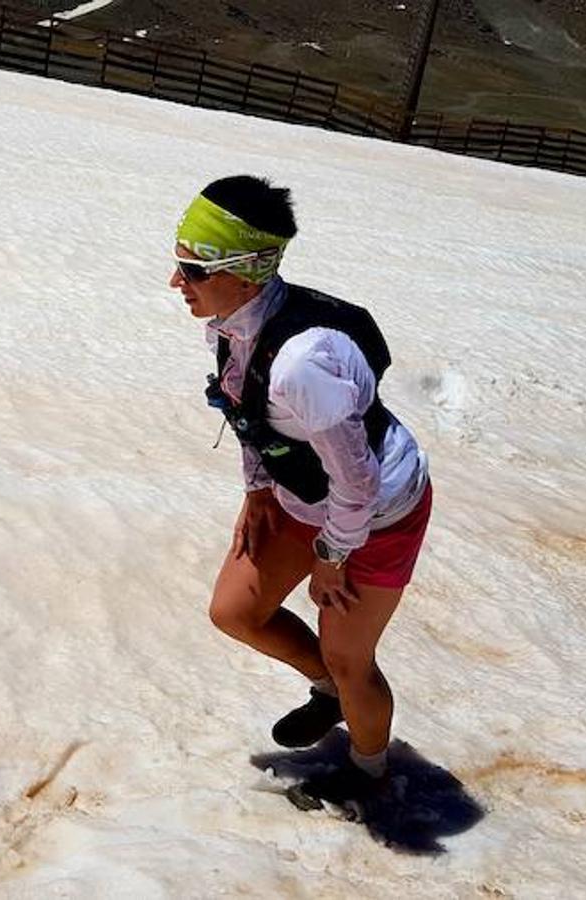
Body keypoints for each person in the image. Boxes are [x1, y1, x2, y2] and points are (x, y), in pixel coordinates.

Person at [170, 175, 432, 787]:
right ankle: (330, 693)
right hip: (308, 494)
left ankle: (369, 775)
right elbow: (246, 411)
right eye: (178, 262)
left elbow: (359, 480)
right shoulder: (237, 320)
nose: (176, 282)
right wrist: (258, 490)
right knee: (237, 610)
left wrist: (333, 557)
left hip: (379, 510)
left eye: (195, 268)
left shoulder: (300, 364)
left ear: (248, 271)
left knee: (350, 657)